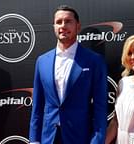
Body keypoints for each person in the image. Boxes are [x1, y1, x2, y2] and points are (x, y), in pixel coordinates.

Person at [29, 5, 108, 144]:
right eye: (59, 22)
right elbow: (37, 106)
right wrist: (34, 140)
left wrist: (97, 141)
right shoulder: (42, 61)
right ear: (54, 26)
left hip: (80, 137)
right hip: (49, 138)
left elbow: (100, 108)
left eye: (68, 21)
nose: (63, 26)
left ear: (78, 26)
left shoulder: (94, 61)